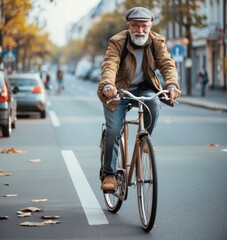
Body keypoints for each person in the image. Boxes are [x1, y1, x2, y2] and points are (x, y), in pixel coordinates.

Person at [97, 7, 181, 191]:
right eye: (135, 26)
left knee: (154, 102)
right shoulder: (118, 41)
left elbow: (167, 64)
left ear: (150, 26)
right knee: (113, 132)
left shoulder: (156, 41)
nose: (140, 30)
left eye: (144, 26)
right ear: (129, 26)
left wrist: (172, 85)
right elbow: (110, 64)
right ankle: (109, 174)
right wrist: (108, 85)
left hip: (144, 89)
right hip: (119, 92)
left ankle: (144, 140)